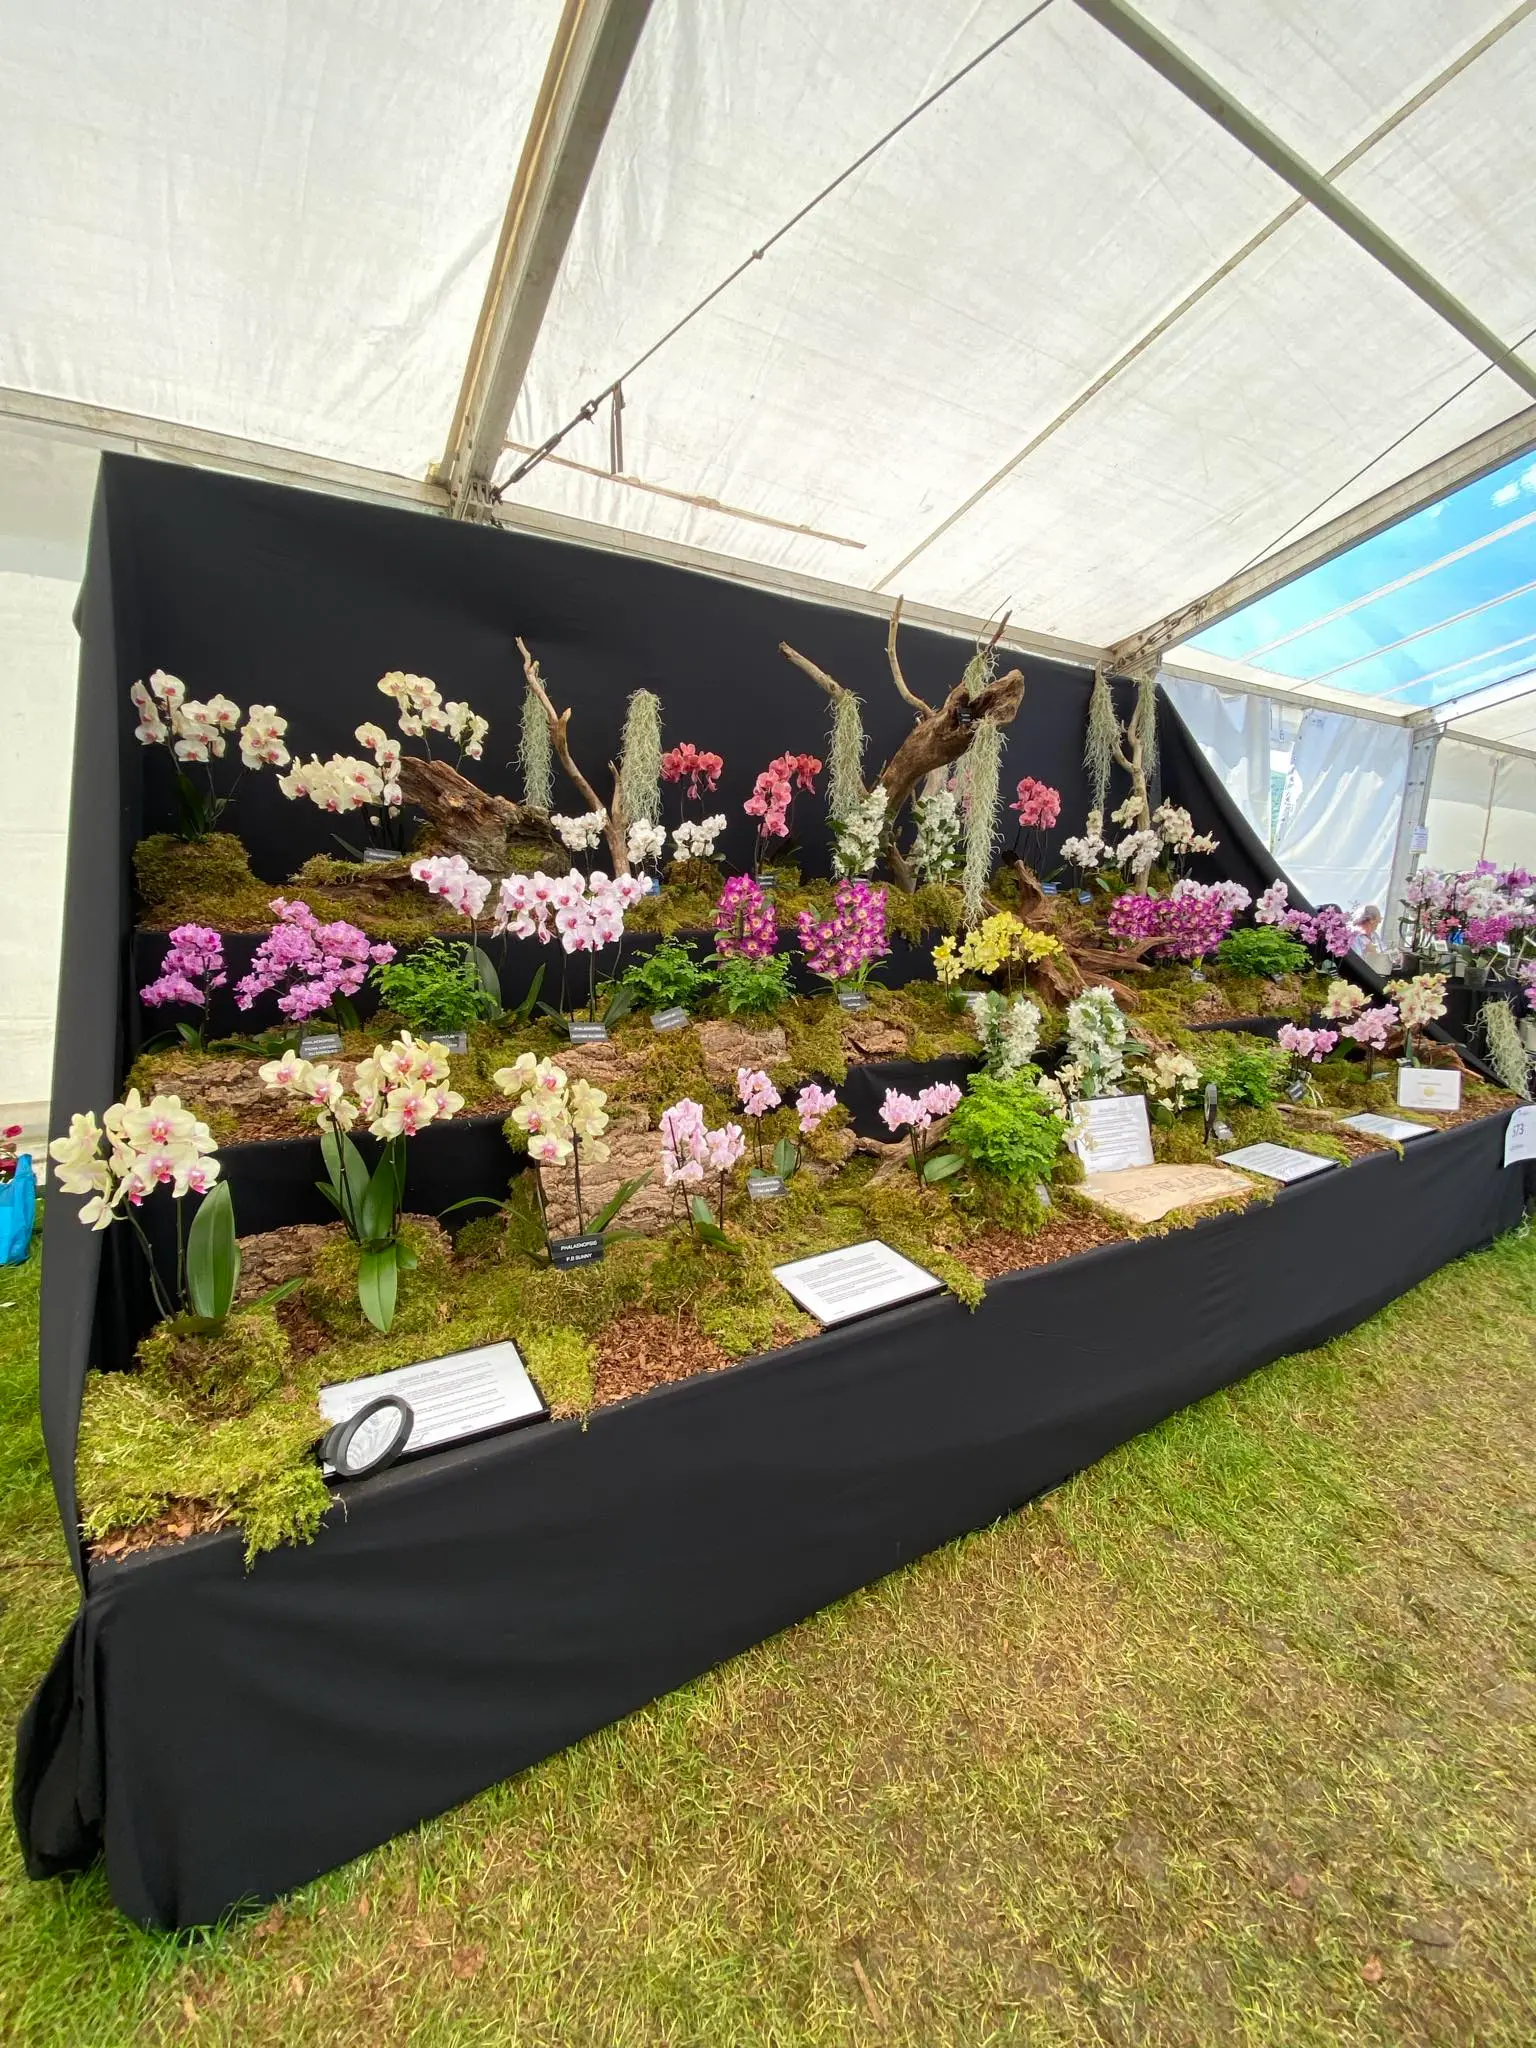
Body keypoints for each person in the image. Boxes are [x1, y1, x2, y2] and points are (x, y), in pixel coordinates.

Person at [1352, 903, 1391, 974]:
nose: (1378, 923)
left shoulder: (1375, 935)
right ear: (1371, 920)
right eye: (1378, 921)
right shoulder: (1354, 937)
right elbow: (1355, 963)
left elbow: (1384, 952)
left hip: (1378, 973)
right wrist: (1366, 953)